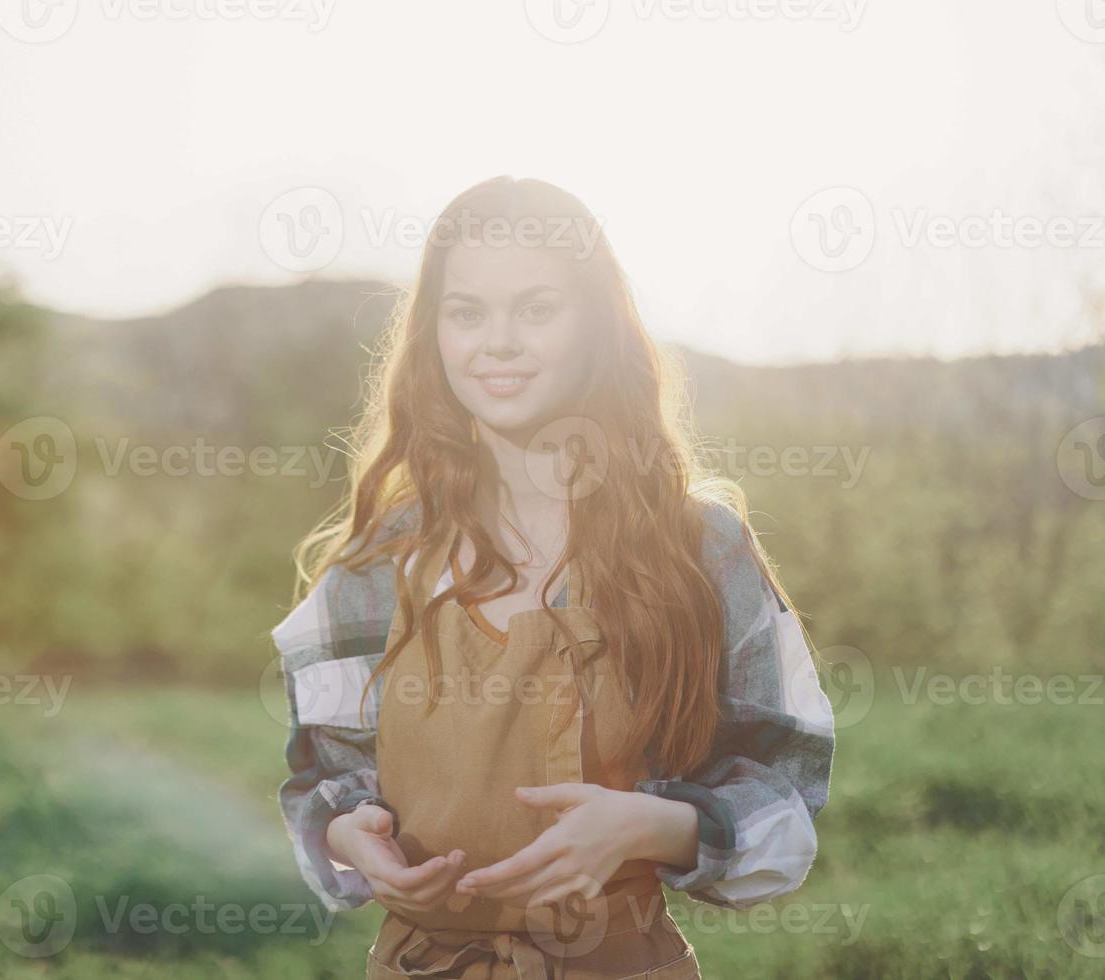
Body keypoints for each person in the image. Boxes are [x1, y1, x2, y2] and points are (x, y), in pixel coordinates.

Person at [275, 176, 835, 978]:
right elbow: (324, 774)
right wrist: (345, 833)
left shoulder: (698, 547)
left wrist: (651, 826)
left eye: (537, 310)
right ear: (434, 334)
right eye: (467, 312)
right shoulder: (383, 557)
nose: (497, 342)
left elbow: (785, 794)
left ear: (597, 329)